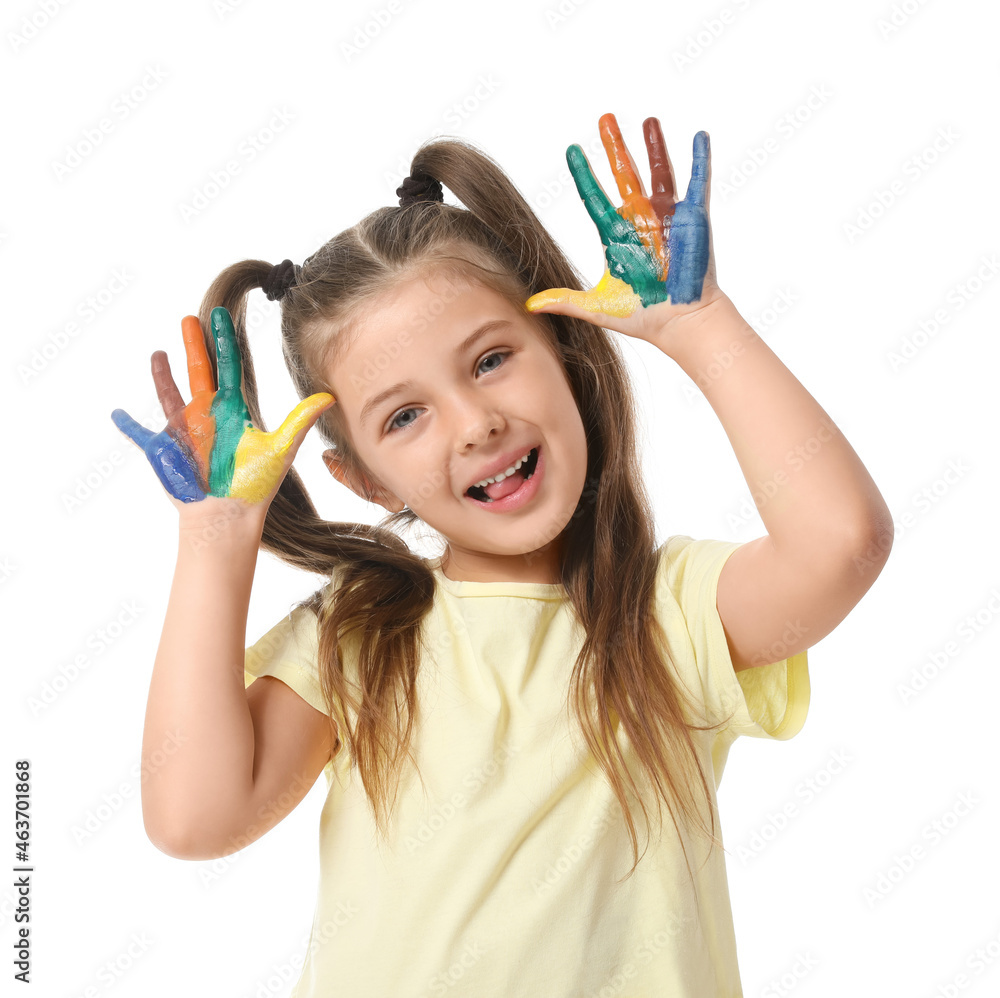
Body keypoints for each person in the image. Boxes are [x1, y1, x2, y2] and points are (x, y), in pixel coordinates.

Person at [111, 113, 893, 996]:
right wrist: (215, 541)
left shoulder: (666, 615)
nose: (476, 422)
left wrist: (700, 325)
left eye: (490, 360)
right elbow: (192, 818)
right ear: (365, 481)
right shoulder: (362, 636)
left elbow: (841, 543)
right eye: (404, 417)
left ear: (564, 351)